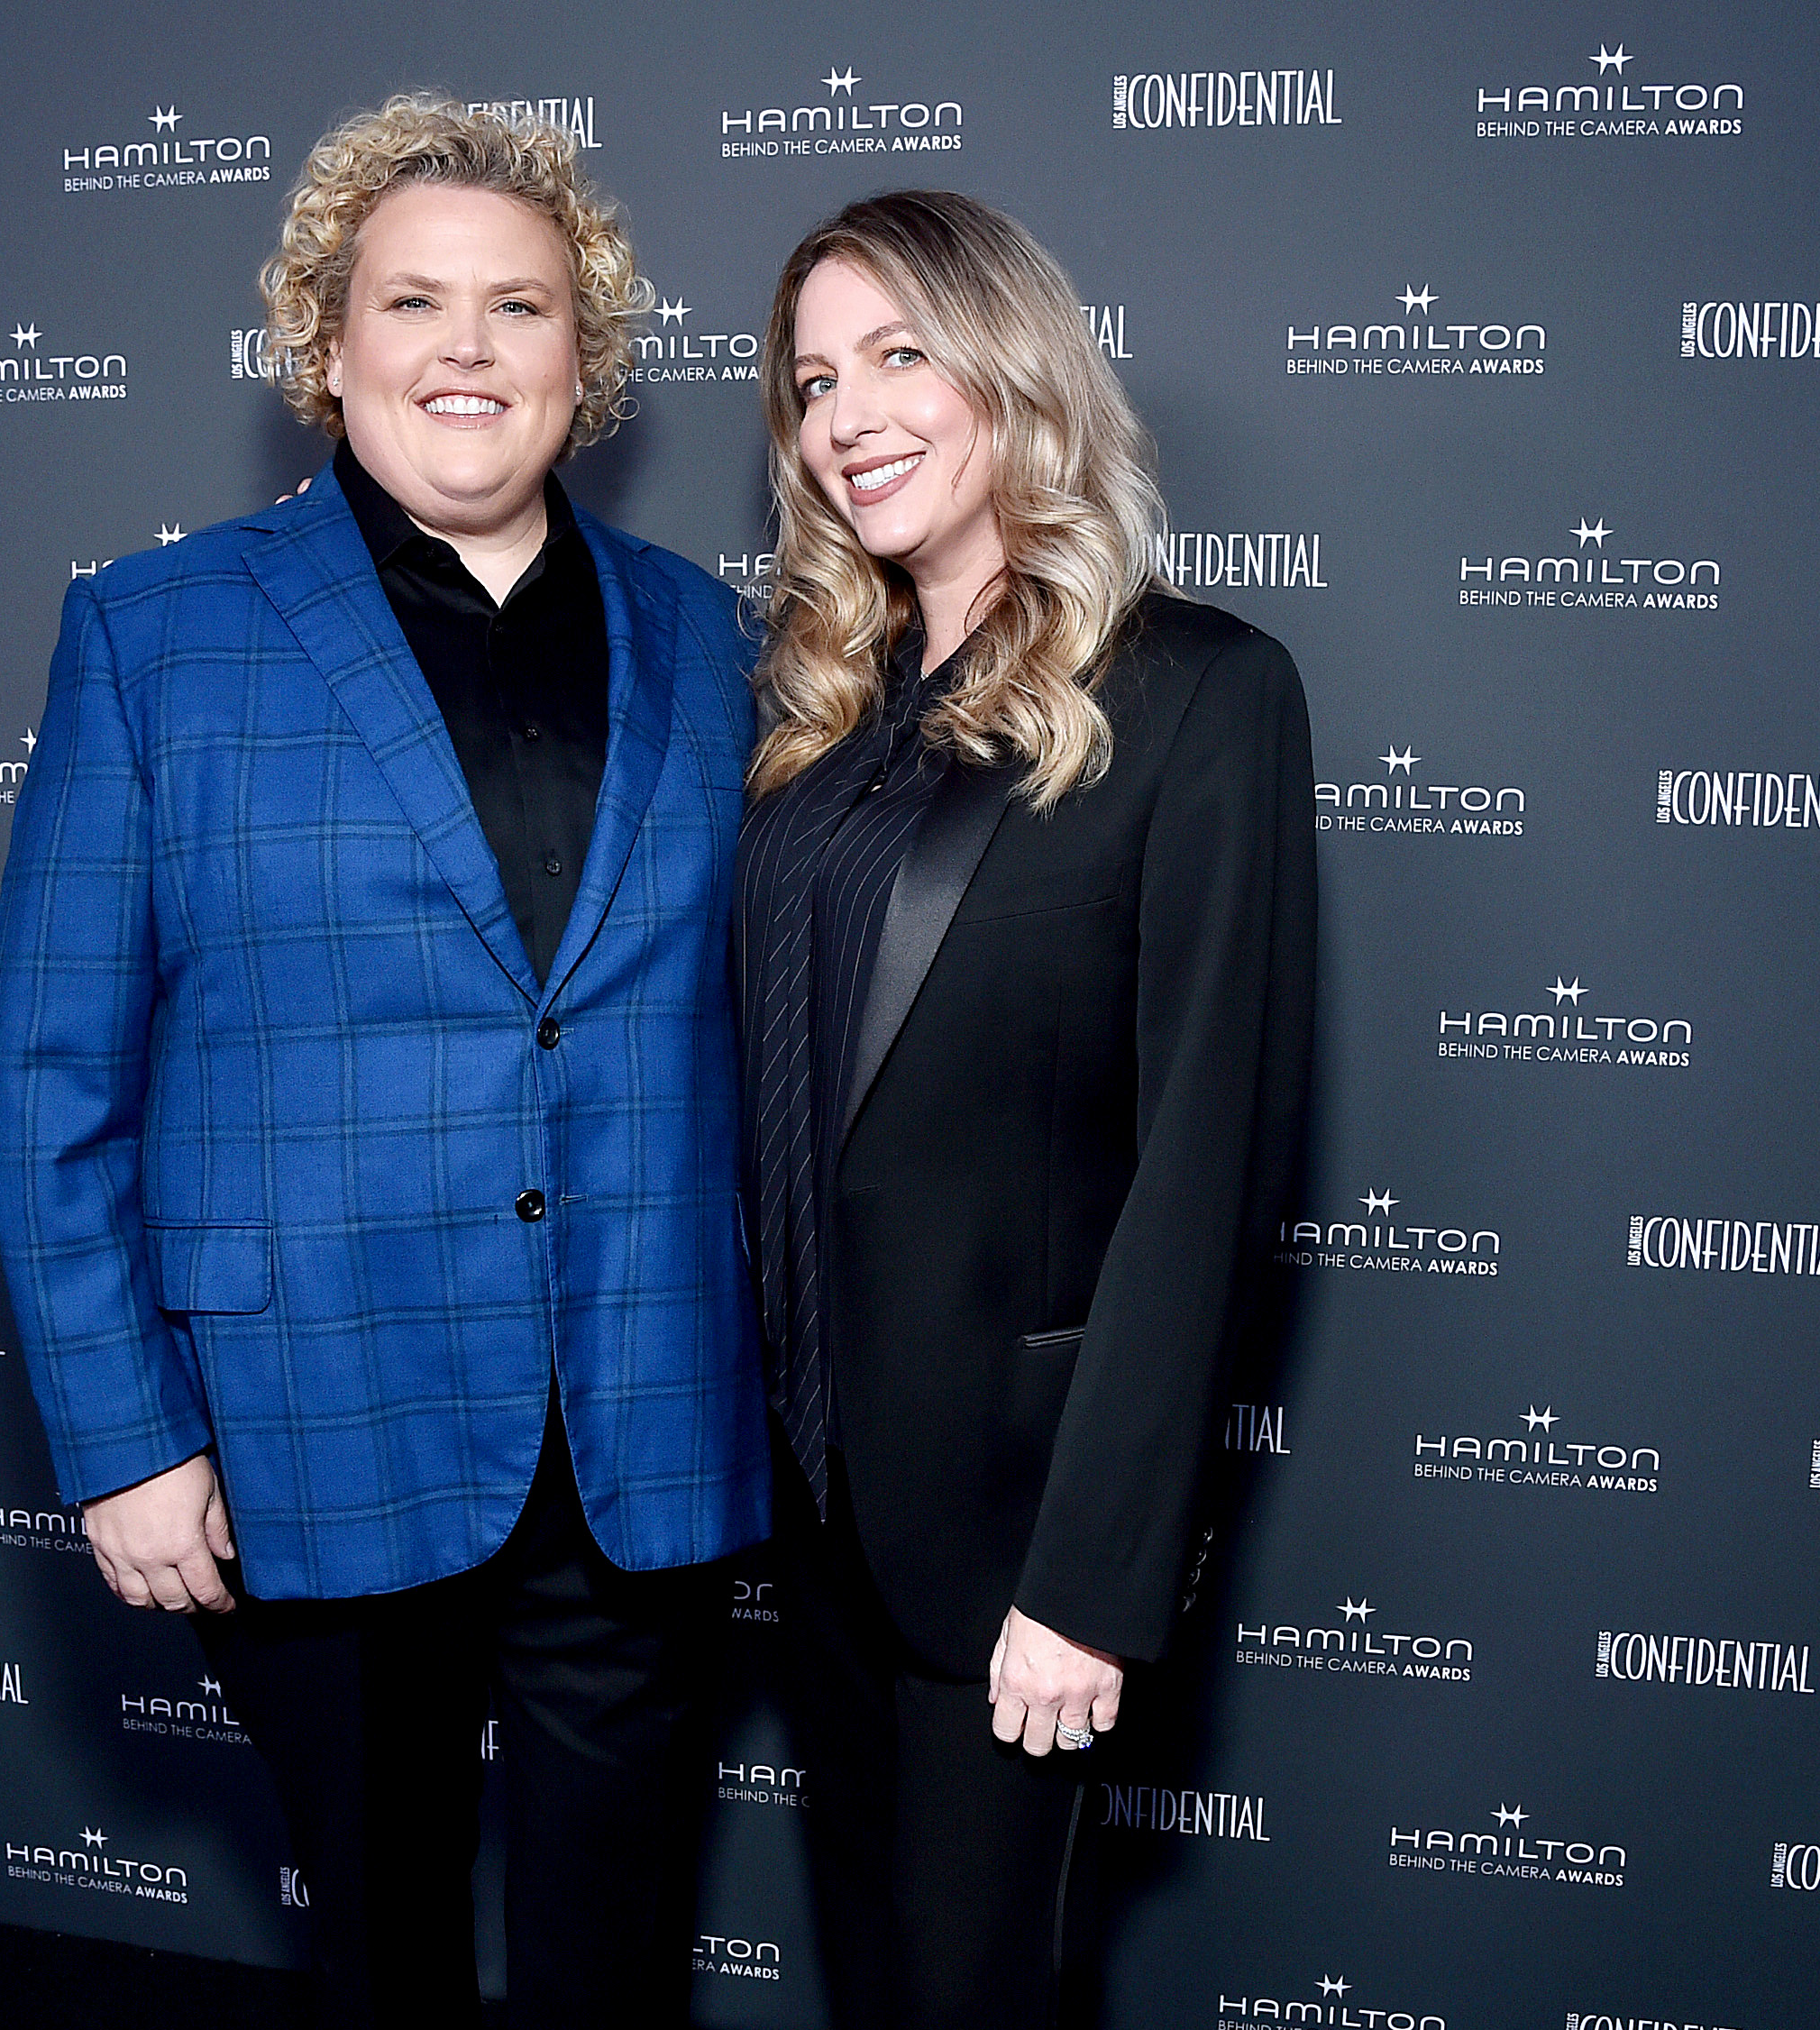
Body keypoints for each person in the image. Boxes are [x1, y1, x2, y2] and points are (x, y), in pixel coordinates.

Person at [0, 96, 764, 2030]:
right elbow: (47, 1070)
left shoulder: (720, 640)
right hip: (307, 1416)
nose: (469, 349)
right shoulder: (157, 635)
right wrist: (128, 1435)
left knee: (619, 1960)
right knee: (385, 1950)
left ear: (592, 362)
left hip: (637, 1411)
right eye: (414, 302)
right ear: (327, 349)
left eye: (521, 307)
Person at [736, 190, 1316, 2027]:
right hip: (813, 1509)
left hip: (1012, 1531)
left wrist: (1093, 1579)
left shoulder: (1202, 692)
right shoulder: (818, 719)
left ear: (1013, 367)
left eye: (900, 354)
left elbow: (1208, 1168)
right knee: (879, 1984)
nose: (848, 415)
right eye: (817, 380)